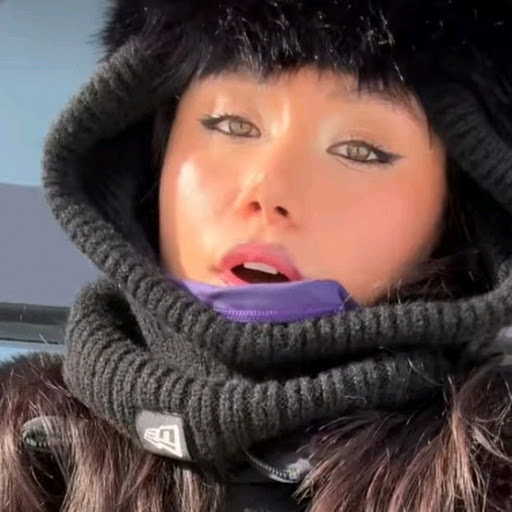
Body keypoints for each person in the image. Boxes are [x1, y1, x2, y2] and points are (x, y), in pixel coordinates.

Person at [2, 0, 512, 510]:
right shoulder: (21, 451)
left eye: (359, 151)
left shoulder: (495, 465)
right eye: (232, 124)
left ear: (458, 211)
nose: (269, 190)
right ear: (152, 159)